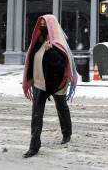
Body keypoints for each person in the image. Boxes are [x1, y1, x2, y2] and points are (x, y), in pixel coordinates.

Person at [22, 14, 78, 158]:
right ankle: (34, 146)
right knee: (36, 115)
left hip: (54, 84)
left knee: (61, 106)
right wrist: (30, 79)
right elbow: (31, 61)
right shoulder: (37, 43)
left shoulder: (58, 45)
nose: (42, 28)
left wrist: (50, 52)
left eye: (45, 25)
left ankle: (67, 133)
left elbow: (60, 66)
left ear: (51, 27)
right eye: (40, 25)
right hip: (39, 83)